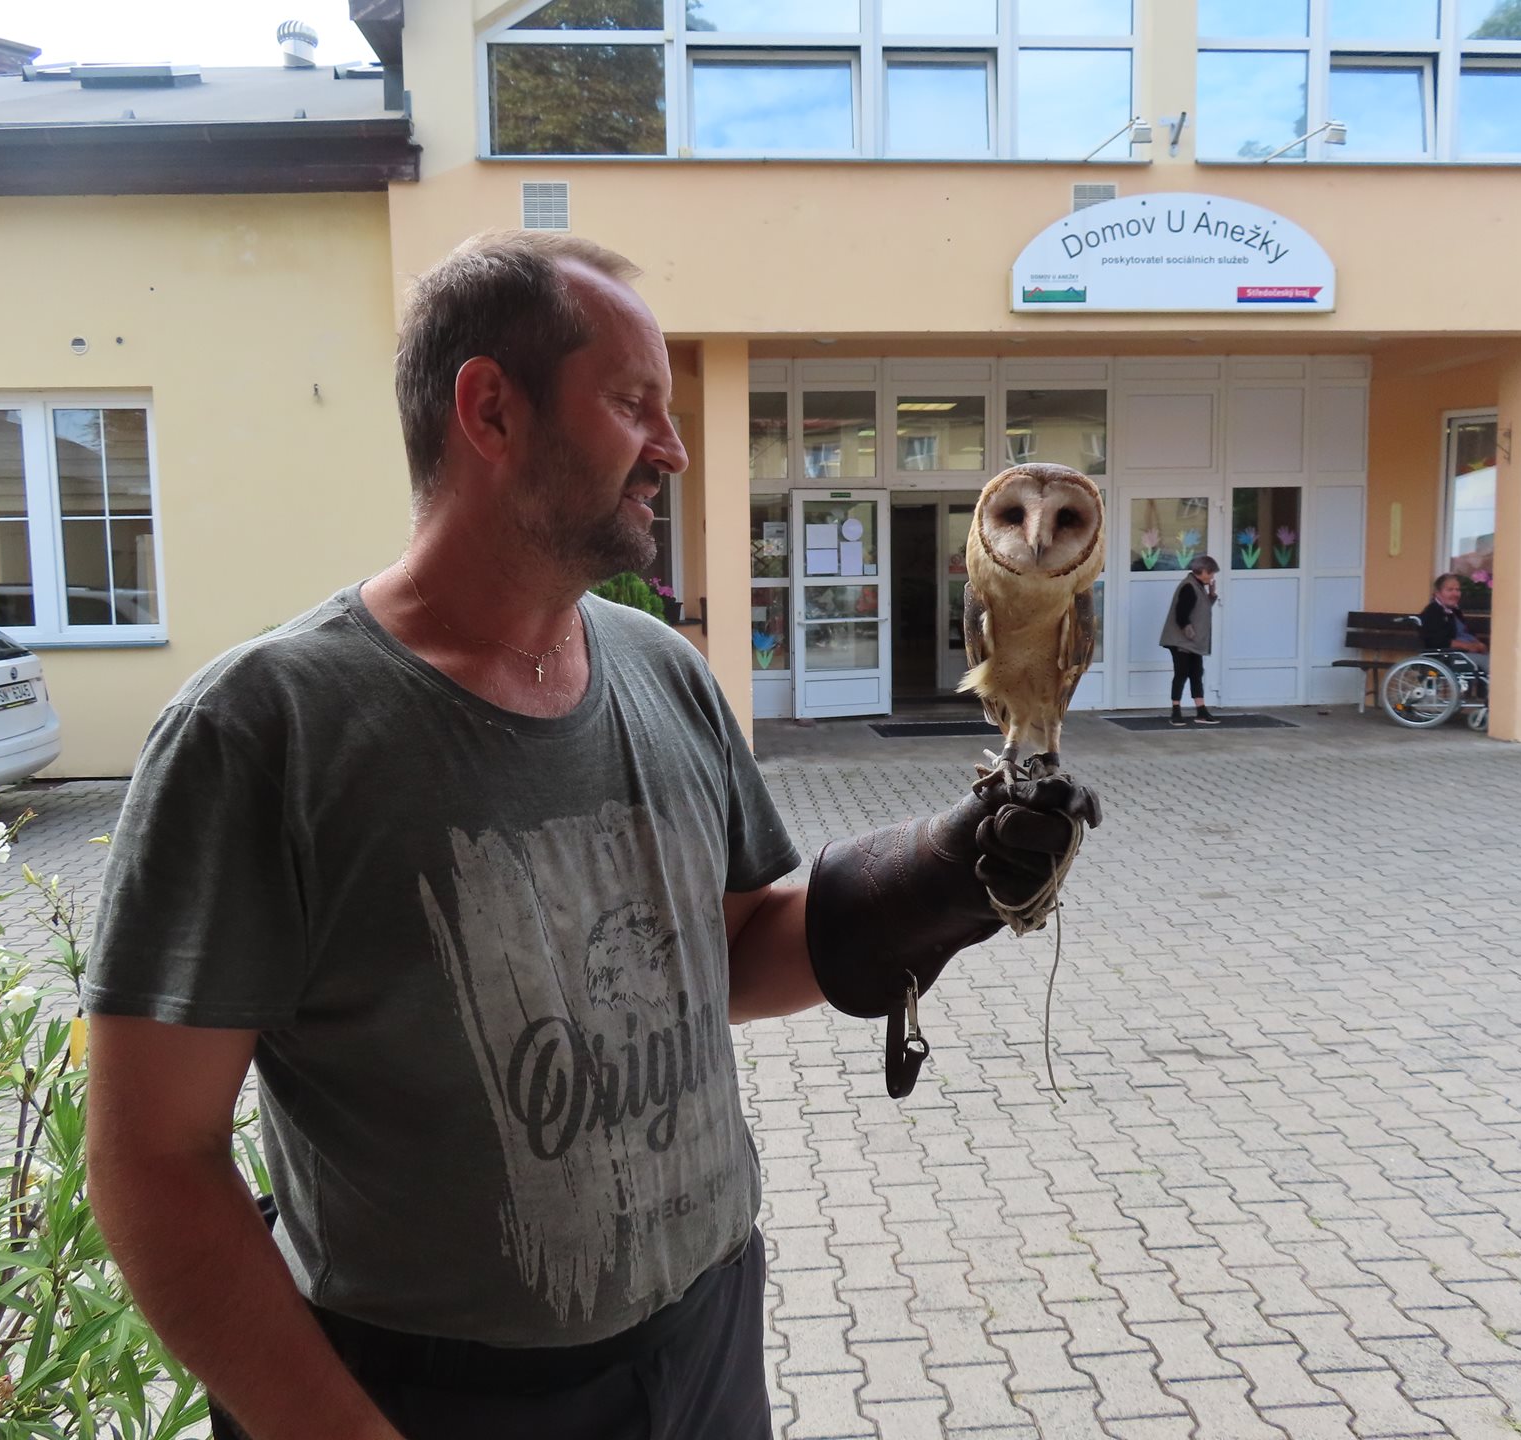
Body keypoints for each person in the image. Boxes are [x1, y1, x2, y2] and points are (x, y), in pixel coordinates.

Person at [83, 231, 1097, 1440]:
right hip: (439, 1394)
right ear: (490, 410)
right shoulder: (266, 732)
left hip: (706, 1336)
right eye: (632, 404)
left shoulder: (663, 671)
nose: (673, 447)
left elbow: (727, 954)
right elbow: (154, 1159)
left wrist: (932, 878)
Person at [1159, 555, 1221, 727]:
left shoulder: (1197, 586)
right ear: (1203, 571)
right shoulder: (1189, 587)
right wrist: (1189, 632)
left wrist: (1211, 595)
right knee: (1181, 673)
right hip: (1181, 642)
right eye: (1211, 573)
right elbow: (1181, 613)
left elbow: (1200, 608)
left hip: (1192, 642)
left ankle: (1201, 711)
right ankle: (1175, 711)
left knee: (1196, 673)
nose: (1212, 577)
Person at [1419, 572, 1489, 672]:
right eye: (1450, 590)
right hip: (1450, 656)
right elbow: (1438, 641)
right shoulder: (1432, 612)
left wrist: (1478, 644)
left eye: (1457, 590)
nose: (1455, 594)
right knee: (1492, 665)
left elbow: (1466, 632)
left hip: (1466, 653)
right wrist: (1468, 646)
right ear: (1438, 593)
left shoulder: (1455, 611)